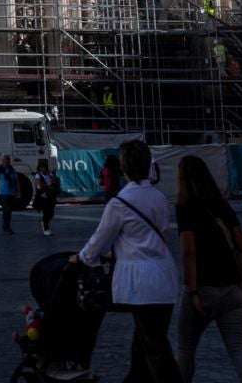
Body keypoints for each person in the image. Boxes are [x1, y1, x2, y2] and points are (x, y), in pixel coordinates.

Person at [74, 139, 184, 383]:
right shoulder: (159, 198)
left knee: (155, 350)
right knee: (145, 346)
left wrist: (81, 258)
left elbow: (99, 240)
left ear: (123, 168)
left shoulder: (119, 203)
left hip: (140, 283)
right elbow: (157, 237)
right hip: (163, 278)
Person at [173, 154, 242, 383]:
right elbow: (241, 243)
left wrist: (192, 291)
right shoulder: (221, 204)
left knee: (185, 349)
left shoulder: (185, 207)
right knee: (240, 350)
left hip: (203, 287)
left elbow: (189, 252)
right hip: (232, 287)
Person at [0, 154, 22, 235]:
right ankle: (6, 227)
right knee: (7, 209)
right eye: (6, 159)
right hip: (2, 193)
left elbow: (16, 181)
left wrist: (19, 191)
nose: (8, 161)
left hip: (11, 193)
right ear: (2, 161)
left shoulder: (12, 170)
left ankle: (7, 226)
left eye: (8, 159)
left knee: (8, 211)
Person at [33, 157, 60, 237]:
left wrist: (53, 179)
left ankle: (44, 223)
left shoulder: (49, 174)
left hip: (50, 195)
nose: (43, 169)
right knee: (46, 212)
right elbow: (39, 184)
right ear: (39, 168)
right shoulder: (38, 175)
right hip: (43, 196)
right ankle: (46, 229)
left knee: (51, 213)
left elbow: (55, 181)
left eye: (44, 167)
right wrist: (48, 185)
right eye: (41, 168)